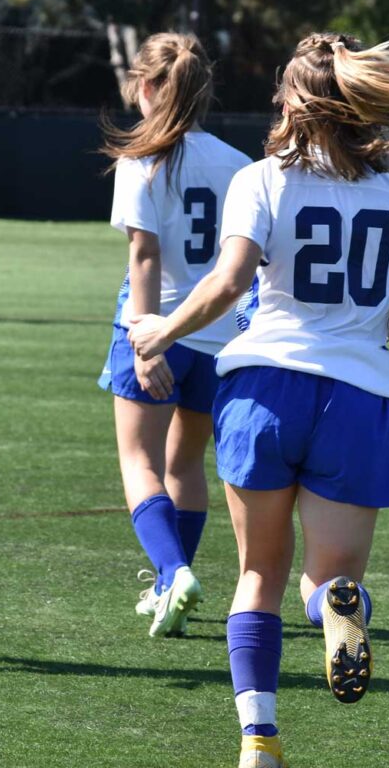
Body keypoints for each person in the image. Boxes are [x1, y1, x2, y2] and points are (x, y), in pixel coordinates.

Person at [128, 29, 389, 768]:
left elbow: (228, 283)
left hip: (264, 389)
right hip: (356, 399)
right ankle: (338, 609)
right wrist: (380, 329)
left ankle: (259, 738)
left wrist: (159, 332)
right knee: (328, 579)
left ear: (291, 102)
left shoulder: (264, 179)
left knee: (257, 575)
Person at [96, 31, 251, 638]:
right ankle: (169, 591)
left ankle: (171, 572)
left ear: (149, 87)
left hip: (156, 324)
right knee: (185, 460)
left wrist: (144, 338)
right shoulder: (239, 165)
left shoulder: (142, 157)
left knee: (139, 460)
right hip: (216, 334)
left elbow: (145, 255)